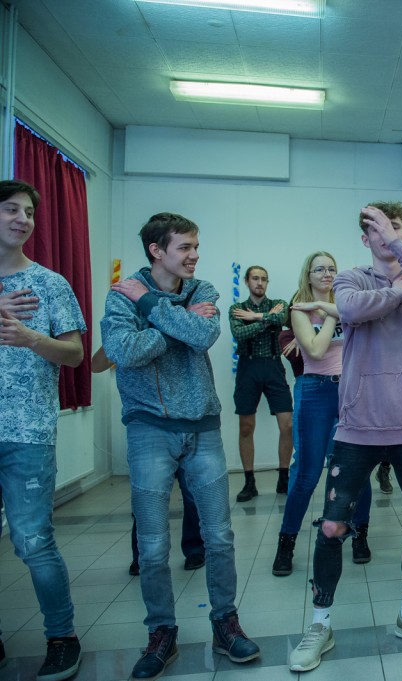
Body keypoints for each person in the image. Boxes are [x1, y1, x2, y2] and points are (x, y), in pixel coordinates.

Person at [288, 203, 402, 672]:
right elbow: (350, 309)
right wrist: (399, 291)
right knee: (332, 527)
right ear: (364, 240)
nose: (385, 235)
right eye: (376, 230)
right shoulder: (352, 278)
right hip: (359, 424)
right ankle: (320, 624)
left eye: (393, 227)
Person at [102, 212, 259, 679]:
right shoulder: (121, 293)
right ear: (156, 250)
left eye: (196, 246)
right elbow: (122, 352)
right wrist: (177, 323)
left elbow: (204, 335)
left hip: (203, 426)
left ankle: (225, 623)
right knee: (152, 546)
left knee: (220, 536)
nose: (194, 255)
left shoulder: (200, 290)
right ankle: (161, 632)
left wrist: (151, 305)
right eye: (184, 247)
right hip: (148, 427)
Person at [0, 180, 86, 681]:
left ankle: (62, 637)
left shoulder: (50, 284)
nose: (23, 219)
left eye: (29, 212)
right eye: (11, 209)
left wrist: (32, 338)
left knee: (33, 541)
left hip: (27, 432)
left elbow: (74, 354)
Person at [272, 252, 374, 578]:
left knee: (356, 471)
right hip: (315, 390)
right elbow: (315, 350)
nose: (327, 274)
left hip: (350, 391)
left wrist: (336, 306)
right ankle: (286, 543)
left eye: (332, 268)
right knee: (308, 472)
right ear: (309, 275)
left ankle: (359, 535)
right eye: (320, 269)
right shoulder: (300, 309)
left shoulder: (348, 303)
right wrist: (332, 310)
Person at [93, 346, 206, 575]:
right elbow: (96, 365)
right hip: (147, 424)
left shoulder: (181, 328)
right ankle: (143, 555)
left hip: (186, 420)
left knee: (191, 493)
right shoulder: (129, 333)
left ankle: (195, 549)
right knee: (147, 495)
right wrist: (120, 338)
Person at [229, 265, 293, 501]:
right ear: (247, 281)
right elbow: (239, 334)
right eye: (255, 278)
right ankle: (249, 482)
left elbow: (282, 317)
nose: (260, 283)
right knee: (246, 426)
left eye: (264, 279)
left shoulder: (278, 304)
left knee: (287, 424)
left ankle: (284, 479)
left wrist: (255, 317)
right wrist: (267, 321)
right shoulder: (237, 309)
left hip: (274, 366)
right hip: (248, 367)